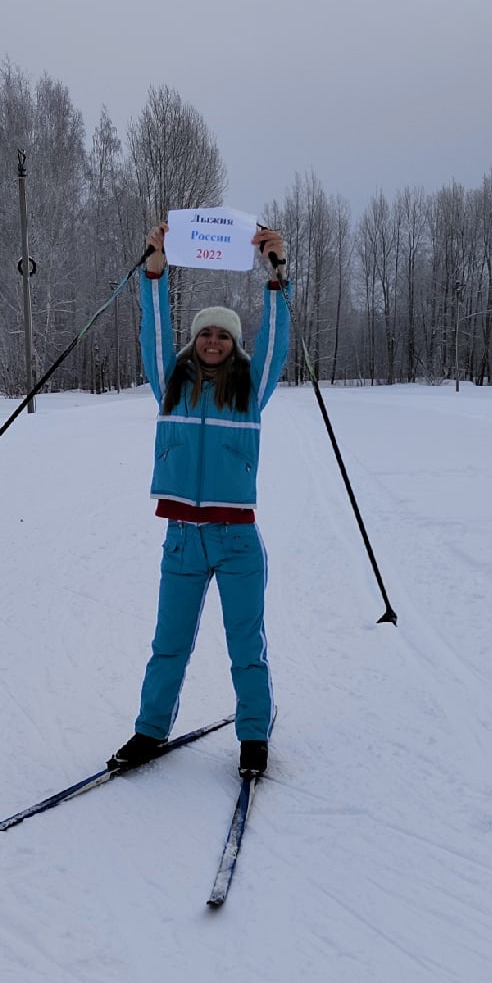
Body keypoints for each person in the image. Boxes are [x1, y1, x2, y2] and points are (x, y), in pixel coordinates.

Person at [109, 219, 291, 778]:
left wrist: (276, 275)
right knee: (168, 643)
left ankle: (254, 736)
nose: (214, 342)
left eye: (224, 336)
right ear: (195, 341)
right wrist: (155, 269)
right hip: (183, 540)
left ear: (235, 345)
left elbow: (276, 341)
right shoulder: (170, 383)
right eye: (206, 334)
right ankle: (149, 730)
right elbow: (153, 335)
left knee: (245, 646)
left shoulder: (252, 389)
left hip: (237, 541)